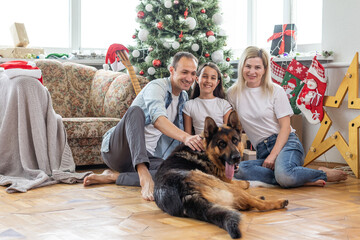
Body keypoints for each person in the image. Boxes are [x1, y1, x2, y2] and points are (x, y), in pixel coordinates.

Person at [83, 51, 204, 201]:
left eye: (193, 73)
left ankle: (115, 177)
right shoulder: (157, 87)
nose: (189, 78)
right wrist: (186, 137)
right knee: (135, 111)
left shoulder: (183, 97)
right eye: (184, 72)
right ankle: (143, 175)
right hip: (118, 151)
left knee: (176, 170)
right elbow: (158, 120)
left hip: (148, 156)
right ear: (171, 70)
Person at [227, 46, 347, 187]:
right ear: (242, 67)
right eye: (248, 66)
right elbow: (229, 124)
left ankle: (321, 173)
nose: (252, 71)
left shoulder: (275, 91)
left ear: (265, 70)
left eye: (257, 67)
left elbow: (285, 127)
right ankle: (297, 177)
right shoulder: (233, 93)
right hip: (262, 150)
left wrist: (273, 156)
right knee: (237, 170)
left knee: (284, 175)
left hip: (286, 144)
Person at [183, 62, 232, 135]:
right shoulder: (189, 105)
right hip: (197, 145)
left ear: (217, 82)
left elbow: (228, 135)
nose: (208, 81)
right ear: (197, 79)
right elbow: (188, 136)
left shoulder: (224, 105)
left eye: (213, 78)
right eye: (205, 76)